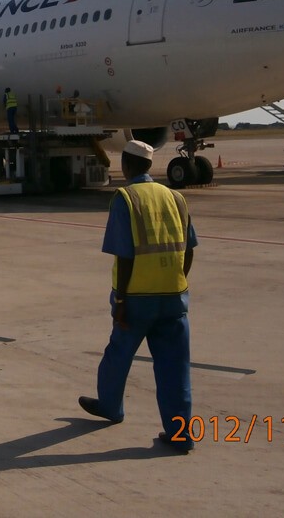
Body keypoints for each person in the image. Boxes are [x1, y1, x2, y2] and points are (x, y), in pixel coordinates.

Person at [78, 139, 198, 452]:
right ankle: (180, 434)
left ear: (127, 166)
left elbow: (125, 254)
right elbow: (189, 248)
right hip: (174, 296)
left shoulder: (126, 198)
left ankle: (111, 407)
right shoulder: (175, 197)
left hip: (137, 298)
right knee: (175, 367)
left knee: (118, 355)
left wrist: (121, 300)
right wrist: (179, 279)